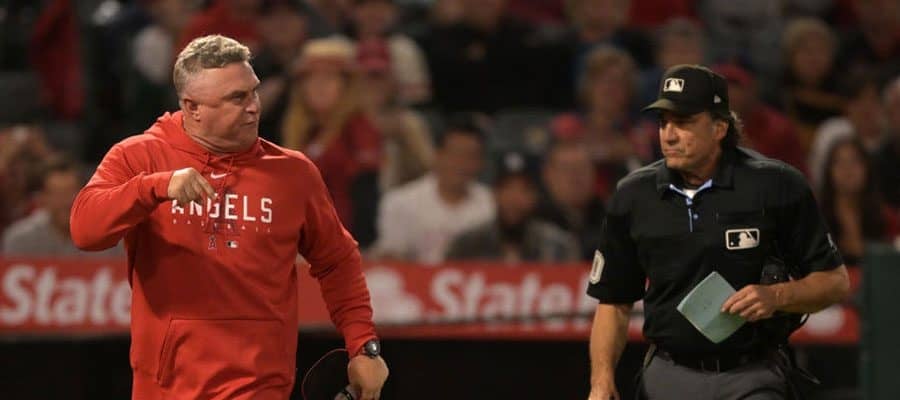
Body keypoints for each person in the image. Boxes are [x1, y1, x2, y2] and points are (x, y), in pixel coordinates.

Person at [69, 35, 388, 400]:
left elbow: (337, 261)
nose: (254, 107)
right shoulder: (138, 158)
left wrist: (364, 346)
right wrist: (154, 188)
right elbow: (85, 231)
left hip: (260, 385)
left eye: (254, 92)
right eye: (237, 98)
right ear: (192, 107)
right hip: (166, 388)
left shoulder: (294, 173)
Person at [586, 65, 850, 400]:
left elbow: (835, 282)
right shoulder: (634, 196)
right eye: (664, 122)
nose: (668, 135)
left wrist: (776, 296)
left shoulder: (776, 186)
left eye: (683, 122)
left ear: (720, 127)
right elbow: (614, 302)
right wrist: (601, 380)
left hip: (752, 374)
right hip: (669, 374)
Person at [370, 115, 495, 265]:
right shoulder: (399, 202)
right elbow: (391, 260)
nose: (461, 163)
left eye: (470, 156)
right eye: (455, 154)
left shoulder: (492, 205)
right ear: (438, 155)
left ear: (481, 162)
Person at [446, 152, 581, 263]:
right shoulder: (467, 246)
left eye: (524, 189)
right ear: (494, 193)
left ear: (535, 196)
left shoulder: (559, 247)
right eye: (507, 188)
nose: (514, 199)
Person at [3, 155, 123, 257]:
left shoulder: (112, 238)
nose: (66, 202)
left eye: (71, 192)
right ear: (42, 199)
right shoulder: (21, 240)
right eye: (58, 194)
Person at [819, 137, 899, 266]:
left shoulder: (887, 217)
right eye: (839, 162)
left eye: (855, 161)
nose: (848, 169)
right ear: (829, 172)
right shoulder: (816, 219)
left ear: (867, 169)